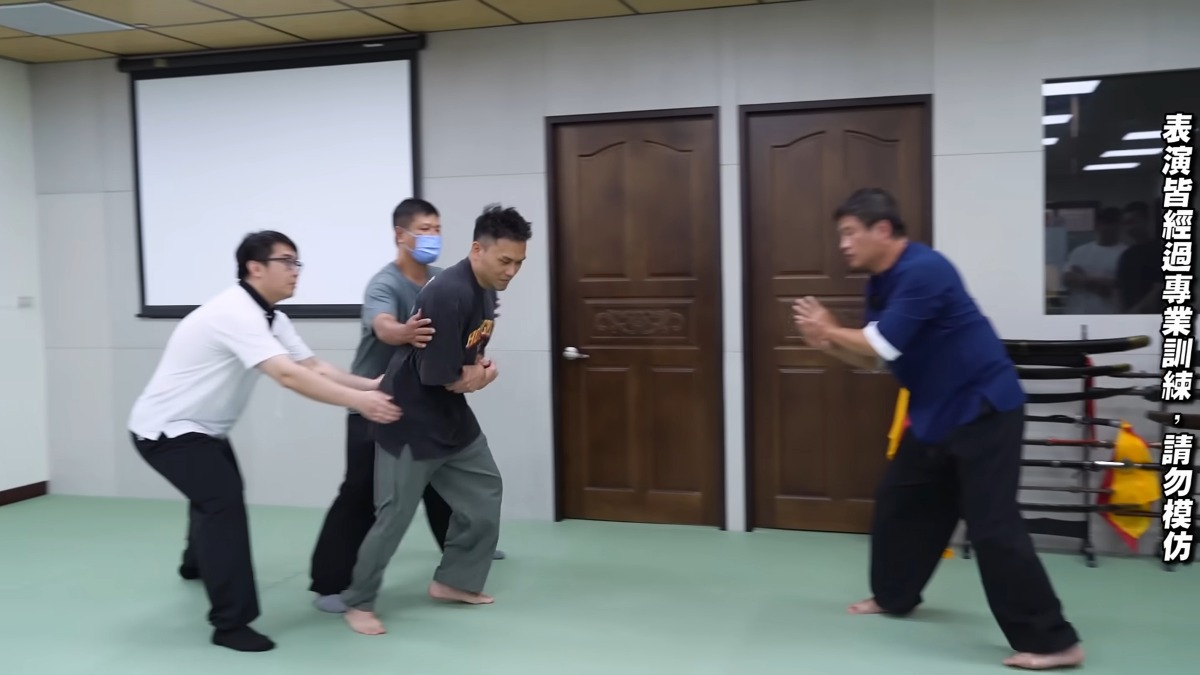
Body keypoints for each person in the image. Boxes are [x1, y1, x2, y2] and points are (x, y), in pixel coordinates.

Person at [792, 188, 1085, 670]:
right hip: (935, 412)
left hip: (984, 409)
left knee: (992, 526)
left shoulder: (924, 270)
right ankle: (894, 596)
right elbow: (876, 360)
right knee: (900, 501)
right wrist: (826, 344)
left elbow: (880, 345)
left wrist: (829, 329)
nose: (842, 244)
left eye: (849, 233)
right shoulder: (880, 283)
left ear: (882, 229)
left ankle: (1055, 643)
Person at [127, 230, 402, 653]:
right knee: (223, 502)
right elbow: (288, 376)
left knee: (215, 496)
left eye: (297, 262)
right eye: (286, 261)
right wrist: (360, 403)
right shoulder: (235, 313)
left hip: (203, 429)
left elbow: (312, 367)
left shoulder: (272, 317)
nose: (296, 271)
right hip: (166, 430)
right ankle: (230, 624)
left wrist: (369, 385)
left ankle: (194, 564)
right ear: (255, 268)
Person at [340, 203, 531, 636]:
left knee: (484, 492)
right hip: (408, 419)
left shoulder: (486, 289)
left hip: (449, 417)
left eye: (519, 263)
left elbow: (470, 355)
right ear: (478, 250)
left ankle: (454, 581)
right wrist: (481, 377)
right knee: (394, 516)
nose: (512, 271)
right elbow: (441, 377)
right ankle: (359, 602)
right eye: (505, 261)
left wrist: (476, 371)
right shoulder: (449, 292)